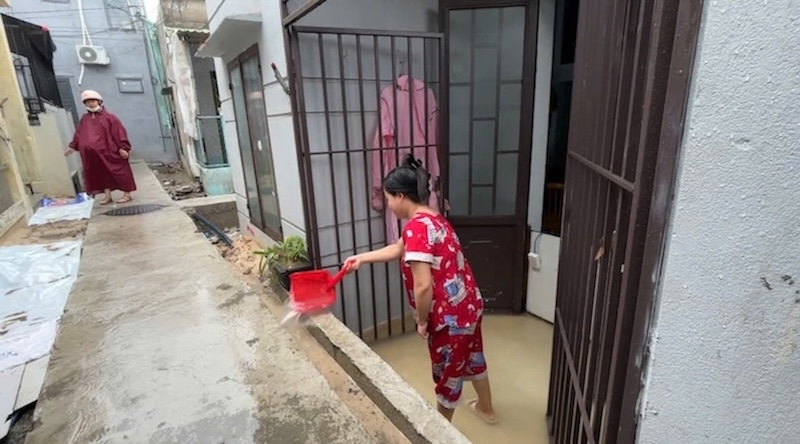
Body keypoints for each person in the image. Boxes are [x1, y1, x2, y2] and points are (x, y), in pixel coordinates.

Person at [345, 154, 497, 424]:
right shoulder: (433, 218)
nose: (388, 204)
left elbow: (423, 286)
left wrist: (423, 321)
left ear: (401, 196)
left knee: (447, 378)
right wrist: (361, 258)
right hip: (469, 307)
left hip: (449, 320)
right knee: (473, 357)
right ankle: (487, 410)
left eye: (389, 198)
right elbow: (397, 249)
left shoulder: (416, 228)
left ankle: (438, 434)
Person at [65, 90, 136, 205]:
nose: (90, 103)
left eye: (93, 101)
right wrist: (72, 146)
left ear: (99, 101)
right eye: (87, 102)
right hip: (93, 155)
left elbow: (119, 132)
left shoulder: (110, 117)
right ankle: (107, 196)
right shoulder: (85, 119)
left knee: (121, 172)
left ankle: (127, 194)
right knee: (101, 174)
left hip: (110, 151)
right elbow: (79, 134)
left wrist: (123, 147)